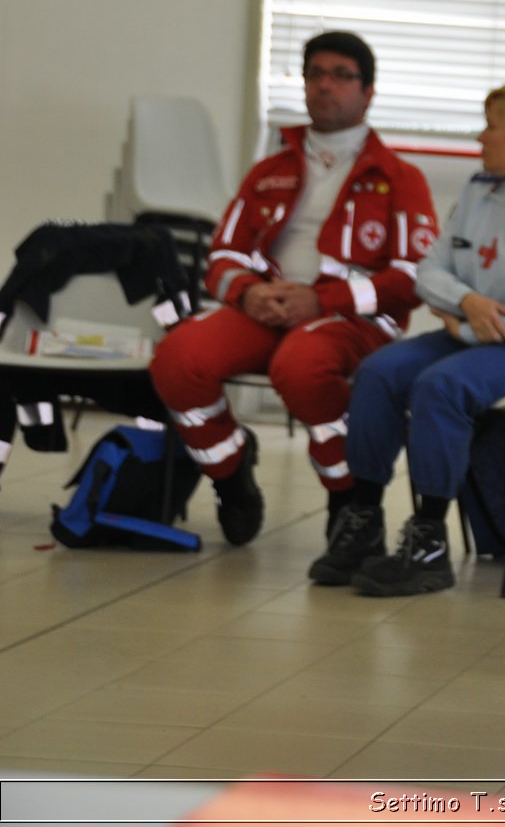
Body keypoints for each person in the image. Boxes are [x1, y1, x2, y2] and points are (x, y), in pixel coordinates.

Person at [308, 80, 505, 596]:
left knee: (441, 386)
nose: (480, 136)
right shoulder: (477, 191)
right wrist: (466, 303)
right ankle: (363, 519)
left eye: (491, 126)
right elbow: (429, 271)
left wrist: (464, 324)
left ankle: (429, 541)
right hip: (477, 331)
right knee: (379, 372)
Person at [149, 32, 437, 546]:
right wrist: (247, 294)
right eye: (315, 74)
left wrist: (325, 300)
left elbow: (414, 279)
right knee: (178, 356)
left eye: (341, 75)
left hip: (354, 321)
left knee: (301, 366)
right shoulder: (269, 169)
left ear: (368, 92)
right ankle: (231, 475)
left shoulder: (399, 177)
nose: (325, 85)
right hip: (267, 307)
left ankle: (347, 496)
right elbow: (223, 256)